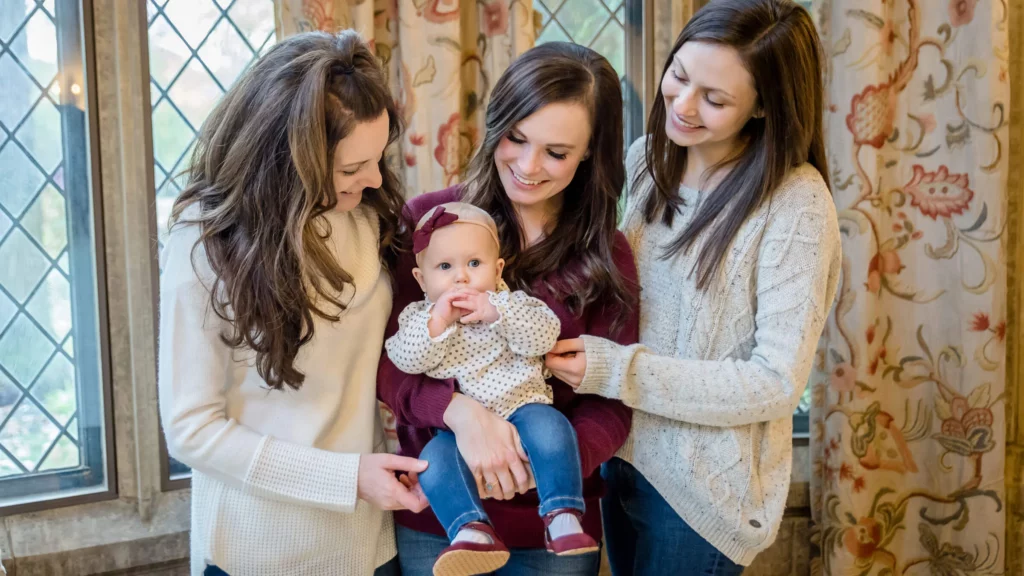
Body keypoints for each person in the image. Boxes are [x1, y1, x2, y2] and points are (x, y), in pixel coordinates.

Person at [545, 1, 842, 574]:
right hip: (619, 456)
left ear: (762, 108)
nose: (680, 105)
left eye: (715, 98)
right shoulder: (647, 161)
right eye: (679, 75)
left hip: (703, 495)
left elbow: (775, 382)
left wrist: (617, 371)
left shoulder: (796, 204)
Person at [157, 31, 428, 576]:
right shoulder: (204, 243)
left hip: (367, 541)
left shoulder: (368, 217)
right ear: (285, 157)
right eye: (351, 169)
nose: (373, 179)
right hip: (256, 547)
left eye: (377, 159)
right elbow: (191, 428)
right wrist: (344, 477)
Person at [378, 42, 639, 576]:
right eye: (515, 138)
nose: (526, 166)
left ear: (590, 152)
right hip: (438, 523)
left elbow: (612, 402)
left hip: (558, 536)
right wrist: (459, 414)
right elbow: (389, 363)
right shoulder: (429, 225)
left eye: (556, 153)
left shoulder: (605, 255)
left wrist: (538, 465)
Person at [386, 202, 600, 575]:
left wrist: (497, 314)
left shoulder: (512, 304)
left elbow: (543, 337)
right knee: (433, 462)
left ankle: (562, 514)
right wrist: (437, 323)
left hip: (523, 406)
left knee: (553, 431)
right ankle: (471, 530)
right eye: (445, 268)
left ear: (497, 268)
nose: (461, 279)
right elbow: (405, 359)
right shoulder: (420, 319)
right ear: (422, 280)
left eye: (474, 264)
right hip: (456, 433)